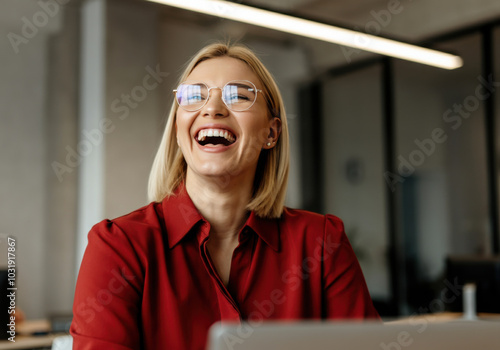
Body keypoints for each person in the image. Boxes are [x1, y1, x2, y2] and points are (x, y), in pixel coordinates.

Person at [70, 42, 379, 350]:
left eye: (239, 96)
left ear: (271, 133)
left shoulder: (323, 243)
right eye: (194, 96)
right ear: (178, 131)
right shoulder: (118, 247)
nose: (213, 108)